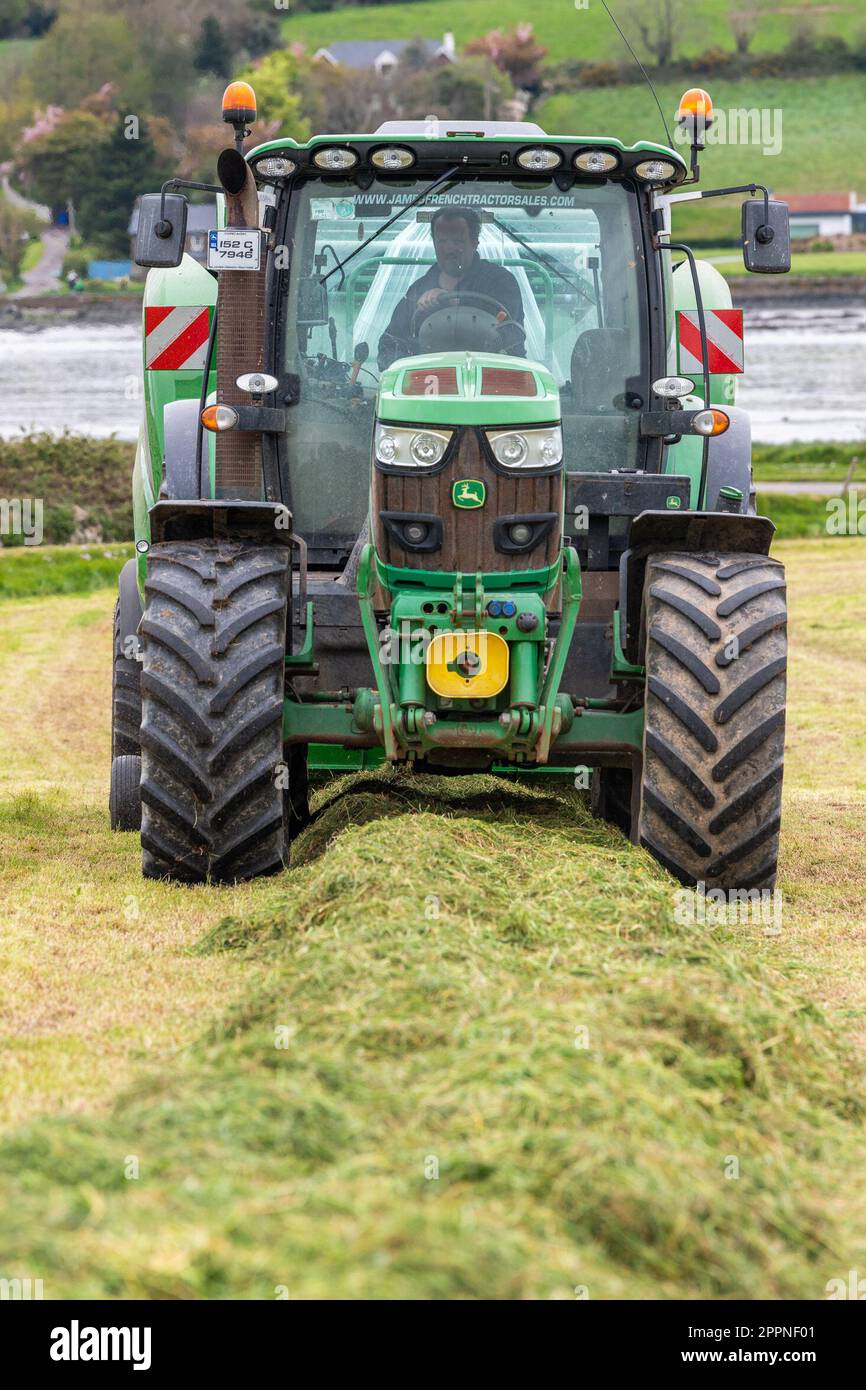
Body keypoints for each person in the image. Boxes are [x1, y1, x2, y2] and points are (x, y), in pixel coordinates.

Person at [377, 206, 525, 369]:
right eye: (442, 241)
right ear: (434, 243)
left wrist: (453, 302)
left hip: (494, 378)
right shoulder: (418, 290)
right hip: (429, 382)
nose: (449, 249)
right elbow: (390, 343)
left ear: (474, 243)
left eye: (457, 241)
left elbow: (511, 335)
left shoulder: (501, 282)